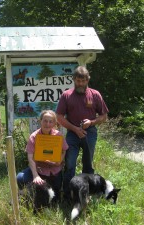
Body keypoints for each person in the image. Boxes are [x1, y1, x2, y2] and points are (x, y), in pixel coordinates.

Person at [56, 65, 109, 198]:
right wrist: (75, 129)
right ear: (73, 79)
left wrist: (91, 122)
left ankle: (87, 193)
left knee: (88, 164)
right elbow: (59, 117)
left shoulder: (95, 94)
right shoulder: (66, 95)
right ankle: (68, 194)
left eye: (84, 81)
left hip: (90, 133)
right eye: (78, 81)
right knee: (70, 163)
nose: (81, 83)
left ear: (88, 79)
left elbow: (104, 116)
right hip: (72, 134)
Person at [16, 110, 69, 201]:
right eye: (45, 121)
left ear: (54, 123)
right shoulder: (34, 136)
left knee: (55, 199)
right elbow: (30, 156)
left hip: (54, 171)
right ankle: (27, 195)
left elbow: (64, 150)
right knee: (20, 177)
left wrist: (59, 161)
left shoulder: (59, 136)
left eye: (50, 121)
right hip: (39, 170)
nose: (47, 124)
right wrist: (35, 175)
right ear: (40, 121)